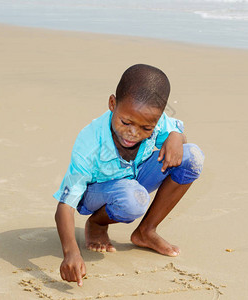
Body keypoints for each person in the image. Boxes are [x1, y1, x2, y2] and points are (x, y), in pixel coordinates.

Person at [53, 64, 204, 286]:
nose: (133, 133)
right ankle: (97, 223)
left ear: (158, 118)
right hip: (95, 194)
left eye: (146, 128)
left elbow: (177, 133)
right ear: (112, 104)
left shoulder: (156, 121)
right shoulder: (89, 142)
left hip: (134, 180)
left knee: (192, 156)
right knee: (133, 199)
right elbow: (64, 206)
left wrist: (176, 136)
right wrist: (71, 253)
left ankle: (146, 231)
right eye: (126, 122)